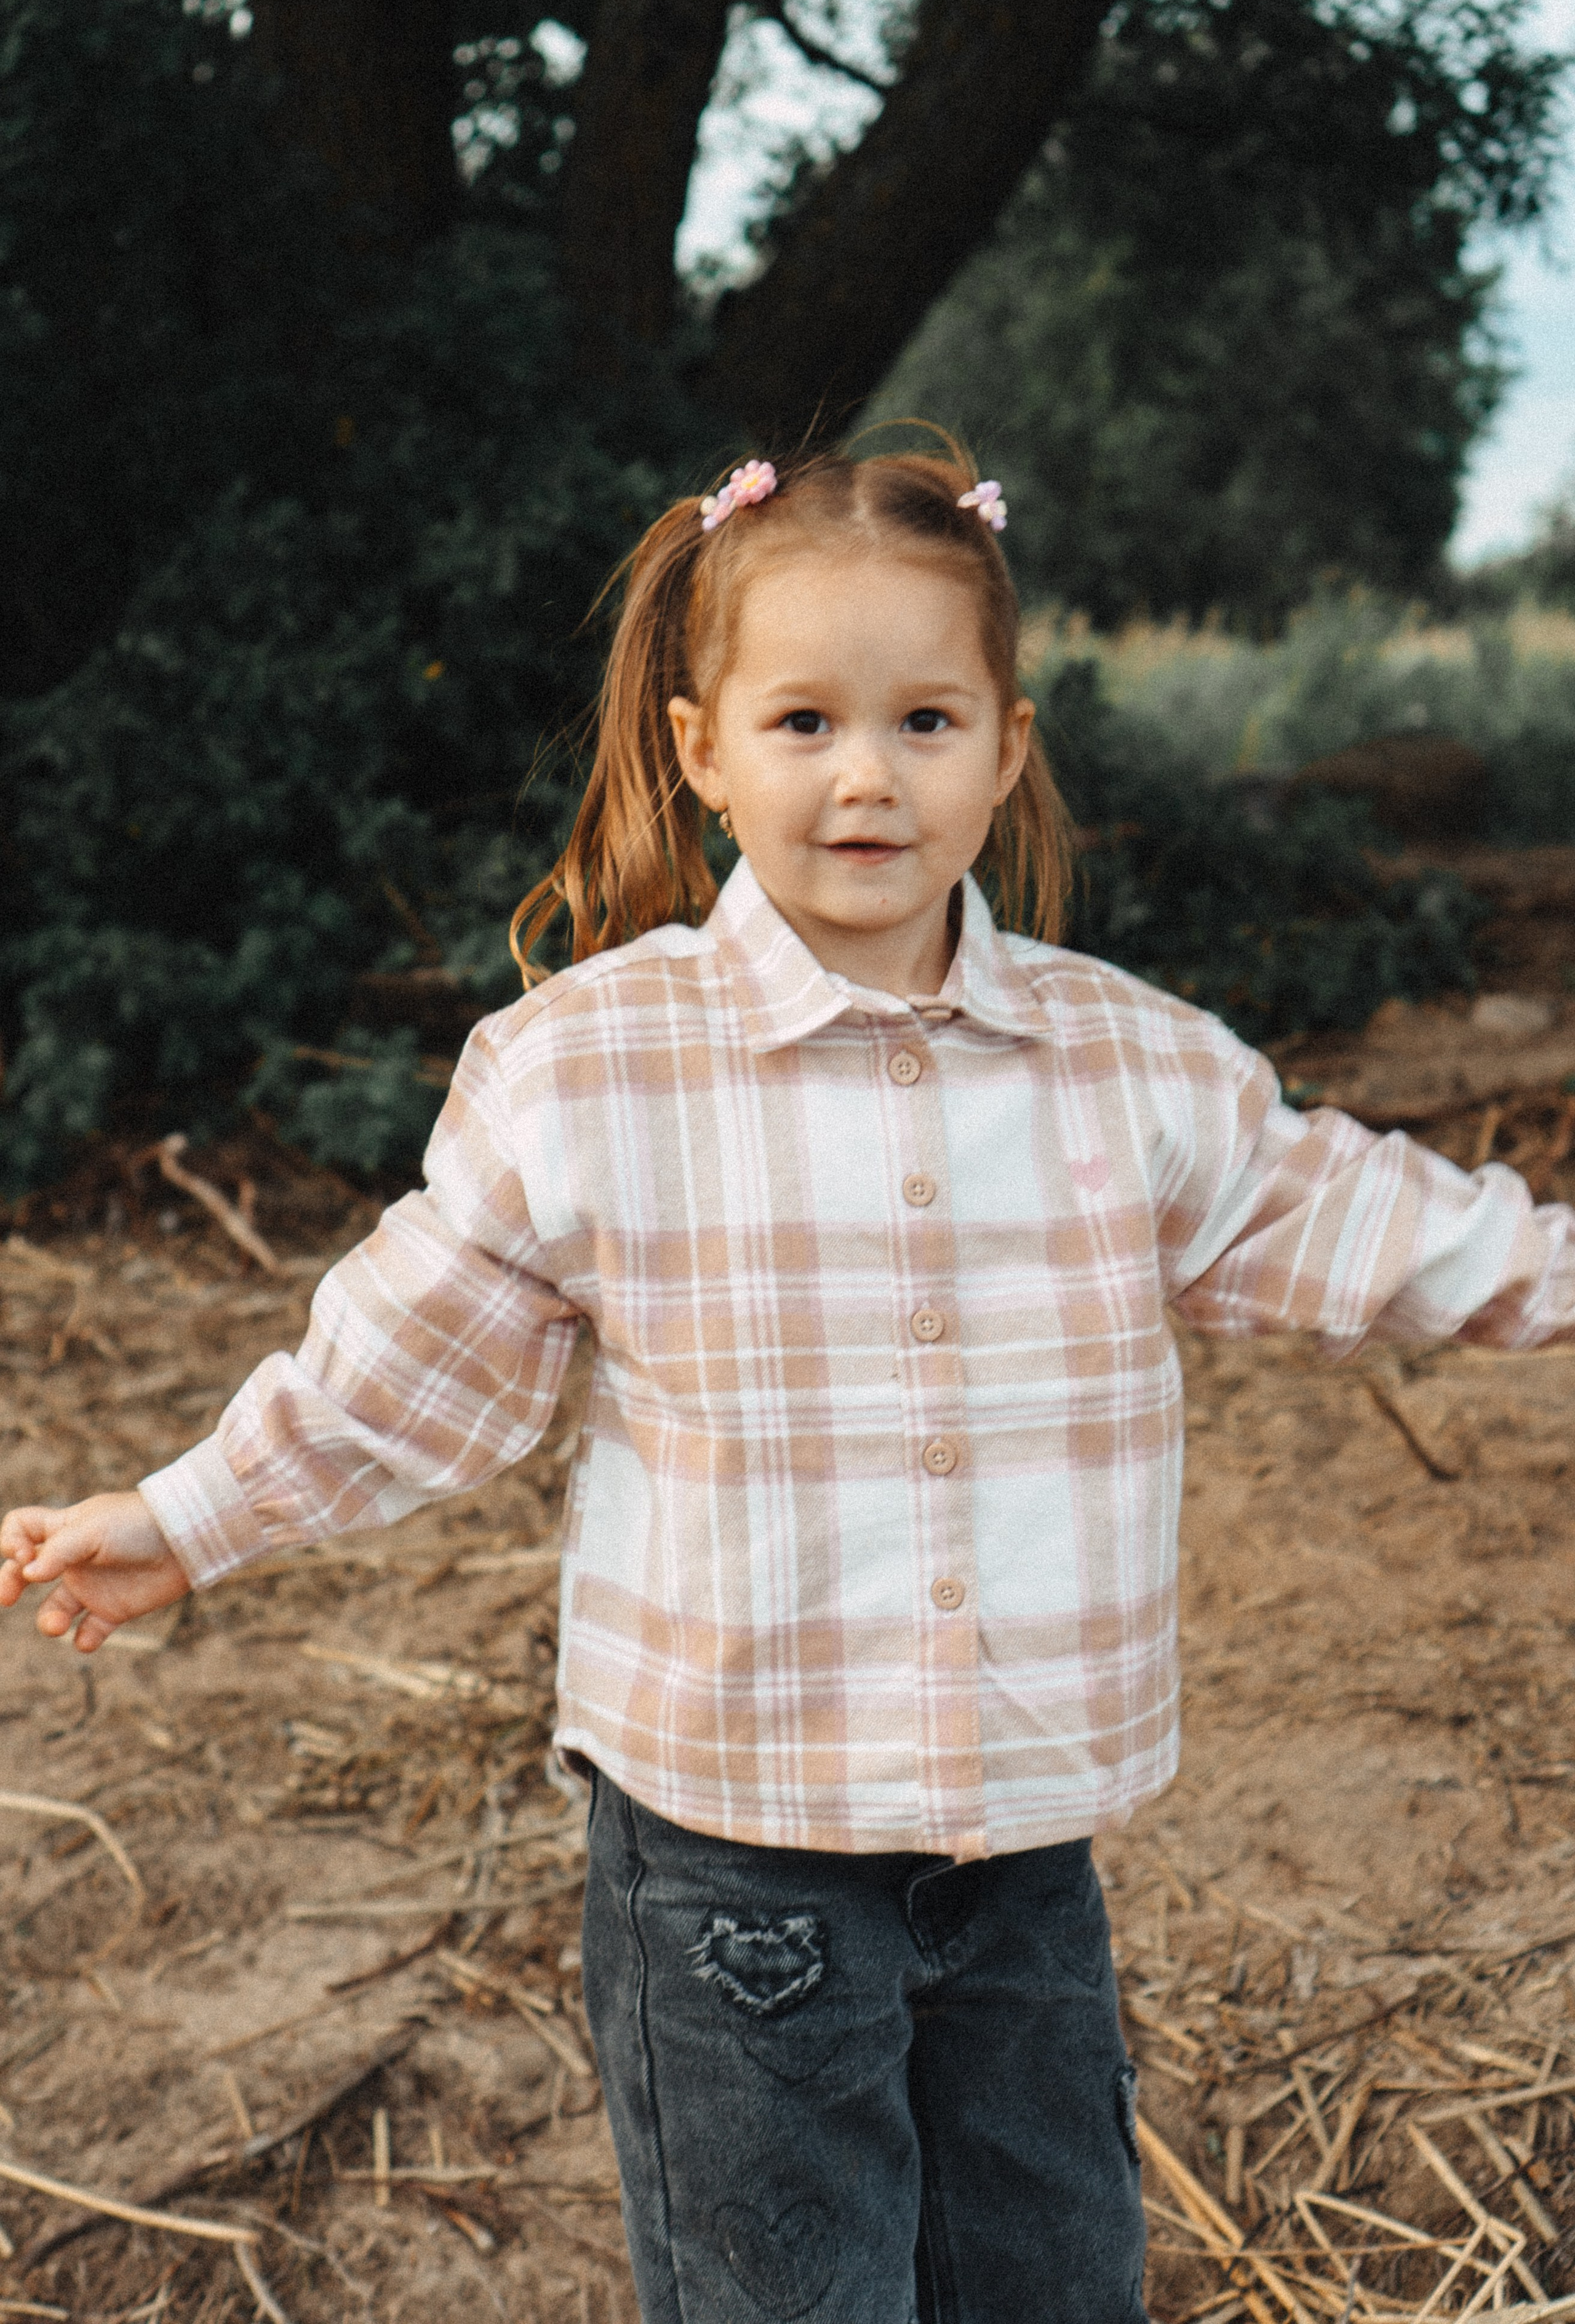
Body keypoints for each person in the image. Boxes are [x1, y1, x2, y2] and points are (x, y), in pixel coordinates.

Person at [2, 440, 1572, 2324]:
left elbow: (1363, 1219)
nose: (865, 775)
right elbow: (400, 1364)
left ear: (1005, 748)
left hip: (1021, 1855)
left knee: (1054, 2277)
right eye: (807, 719)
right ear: (702, 747)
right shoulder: (591, 1075)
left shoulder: (1130, 1071)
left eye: (924, 719)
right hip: (729, 1867)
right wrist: (182, 1524)